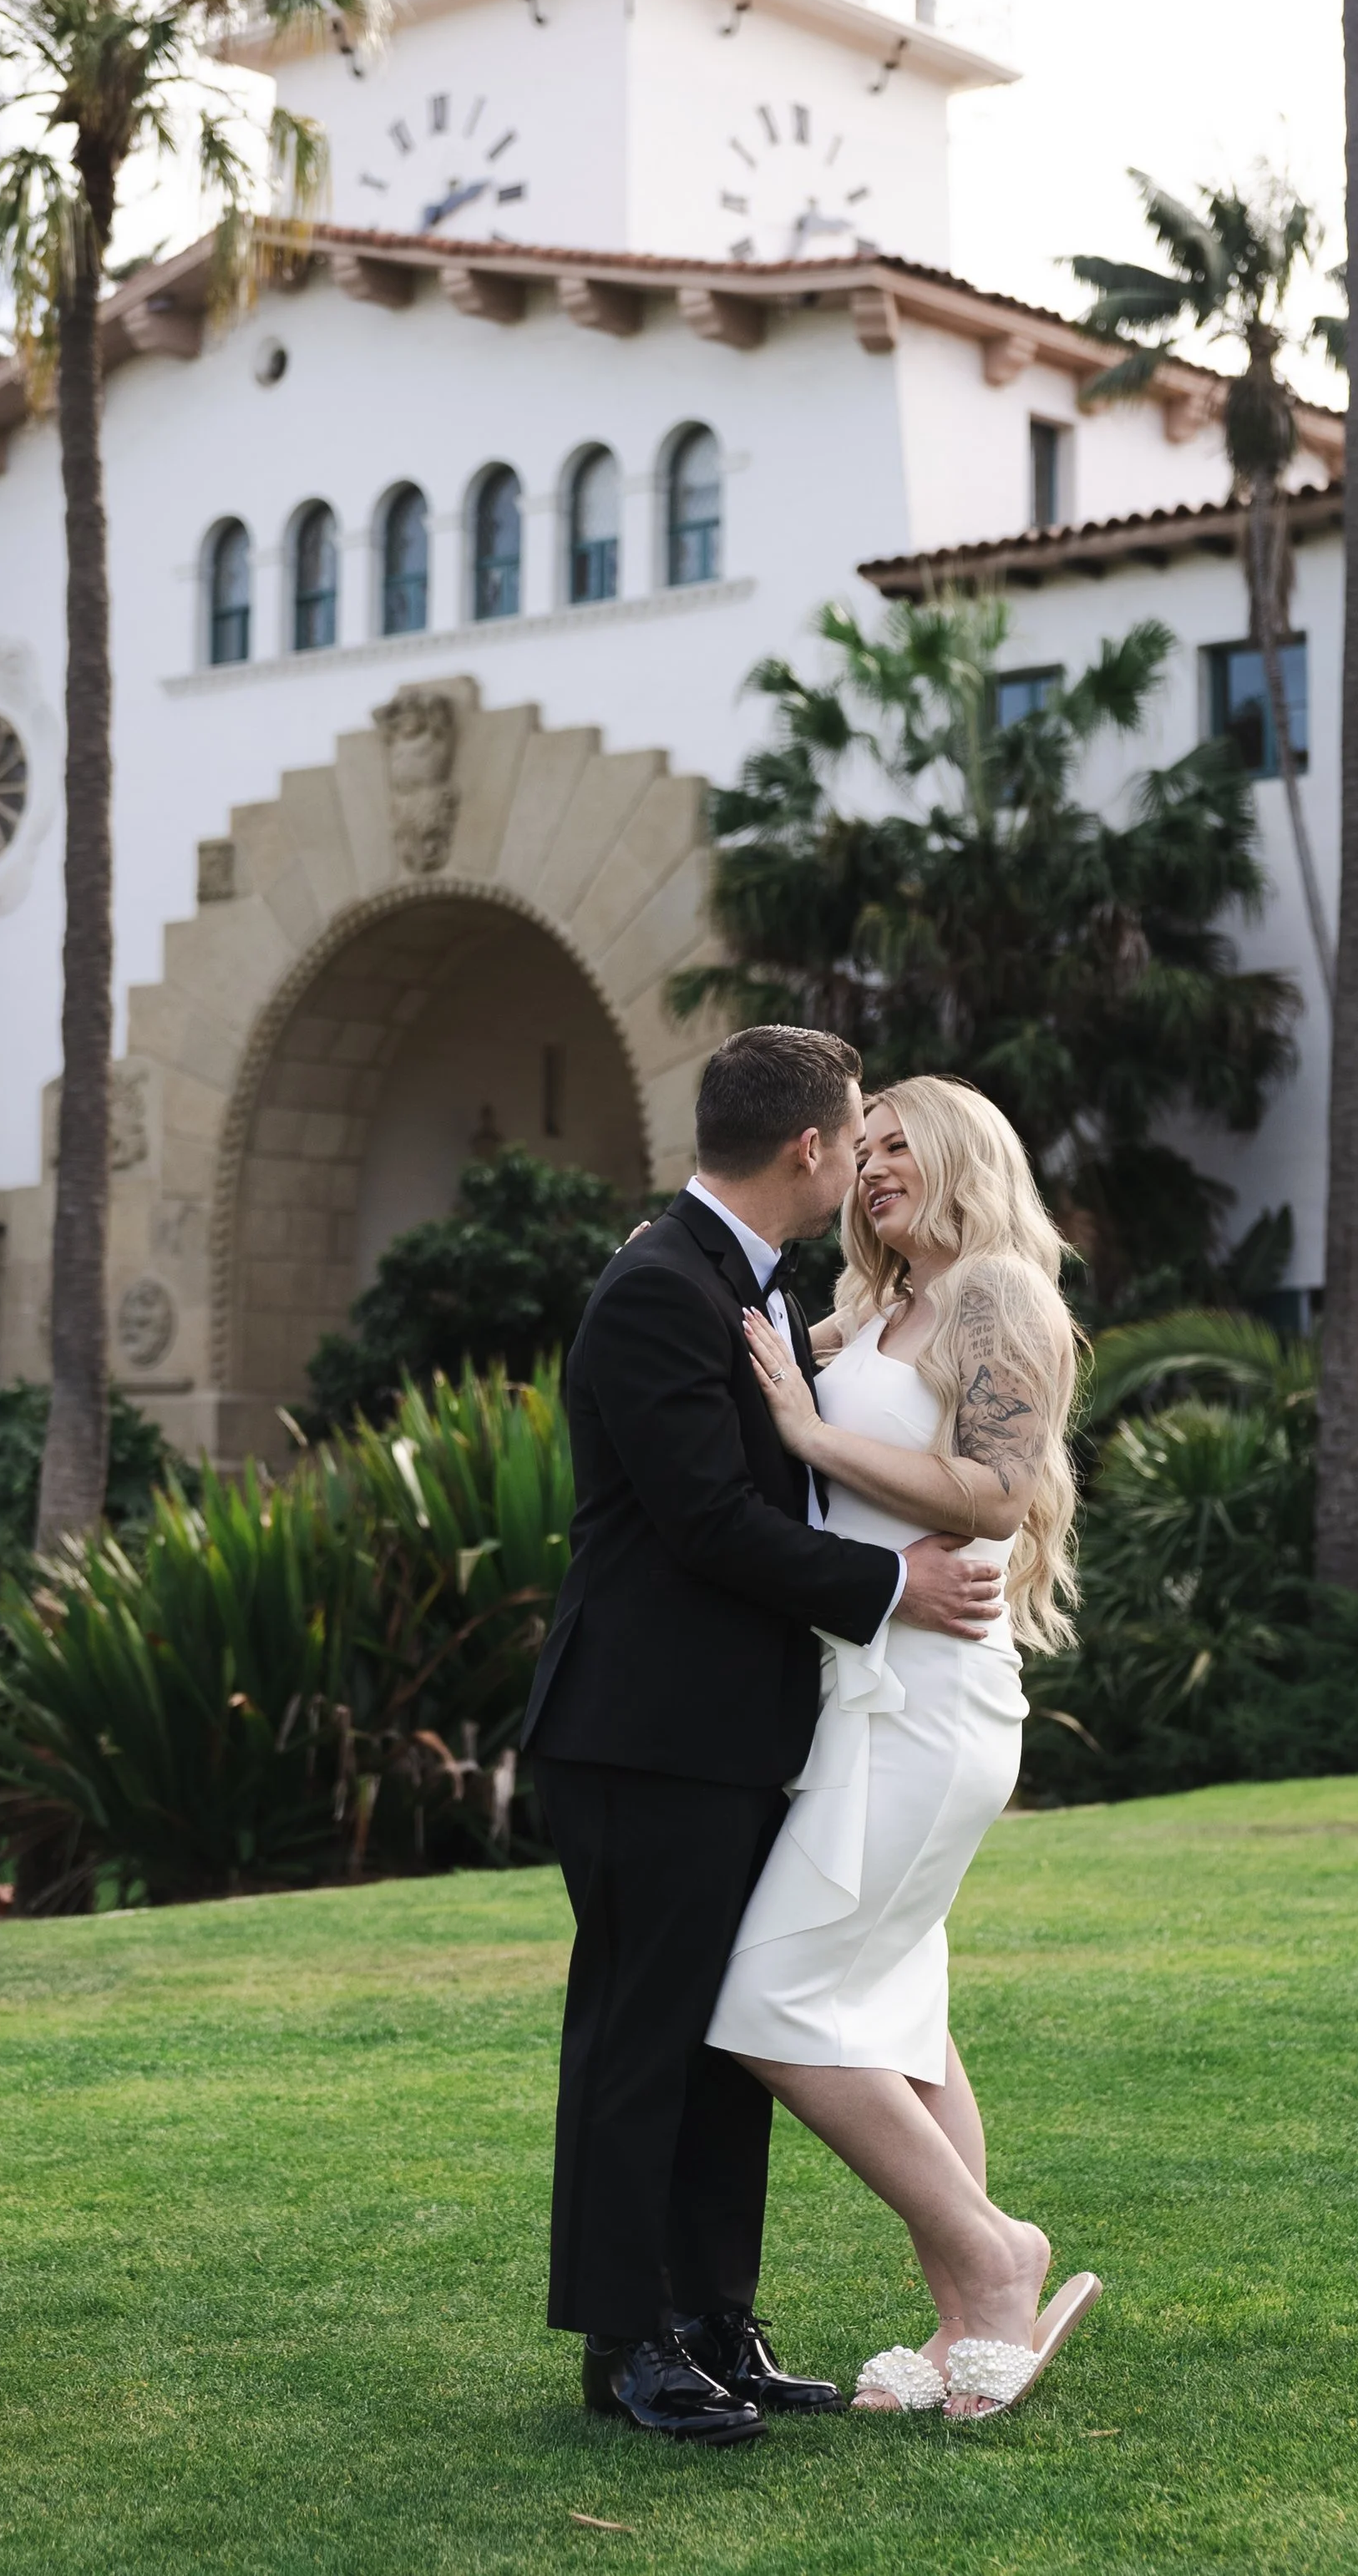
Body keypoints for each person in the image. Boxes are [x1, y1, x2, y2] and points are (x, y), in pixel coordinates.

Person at [520, 1027, 1005, 2447]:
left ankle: (717, 2320)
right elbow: (707, 1524)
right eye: (857, 1135)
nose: (863, 1158)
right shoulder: (657, 1289)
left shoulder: (757, 1283)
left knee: (730, 2039)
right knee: (640, 2035)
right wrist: (890, 1584)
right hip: (640, 1734)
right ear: (809, 1148)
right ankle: (627, 2346)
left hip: (738, 1733)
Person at [707, 1075, 1101, 2422]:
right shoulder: (878, 1308)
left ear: (959, 1155)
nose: (871, 1166)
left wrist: (809, 1426)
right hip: (860, 1689)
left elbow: (994, 1489)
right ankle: (960, 2315)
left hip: (934, 1698)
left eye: (896, 1145)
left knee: (769, 1999)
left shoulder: (999, 1294)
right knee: (904, 2016)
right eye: (860, 1147)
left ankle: (999, 2260)